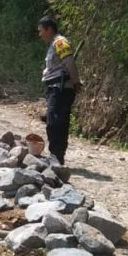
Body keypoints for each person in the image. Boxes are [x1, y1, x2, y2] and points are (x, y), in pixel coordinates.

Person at [37, 16, 81, 165]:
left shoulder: (60, 42)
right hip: (54, 89)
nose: (40, 34)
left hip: (61, 89)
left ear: (49, 29)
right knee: (54, 122)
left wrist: (76, 83)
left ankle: (56, 156)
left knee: (56, 123)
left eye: (41, 31)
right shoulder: (53, 44)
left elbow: (69, 62)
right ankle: (55, 155)